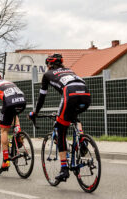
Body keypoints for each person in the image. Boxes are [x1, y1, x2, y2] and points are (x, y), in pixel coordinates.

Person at [29, 54, 91, 182]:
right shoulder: (69, 70)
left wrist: (35, 112)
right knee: (74, 117)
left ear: (50, 65)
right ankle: (82, 140)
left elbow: (42, 98)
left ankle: (64, 169)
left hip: (70, 93)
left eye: (47, 65)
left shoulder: (47, 75)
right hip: (85, 93)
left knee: (60, 129)